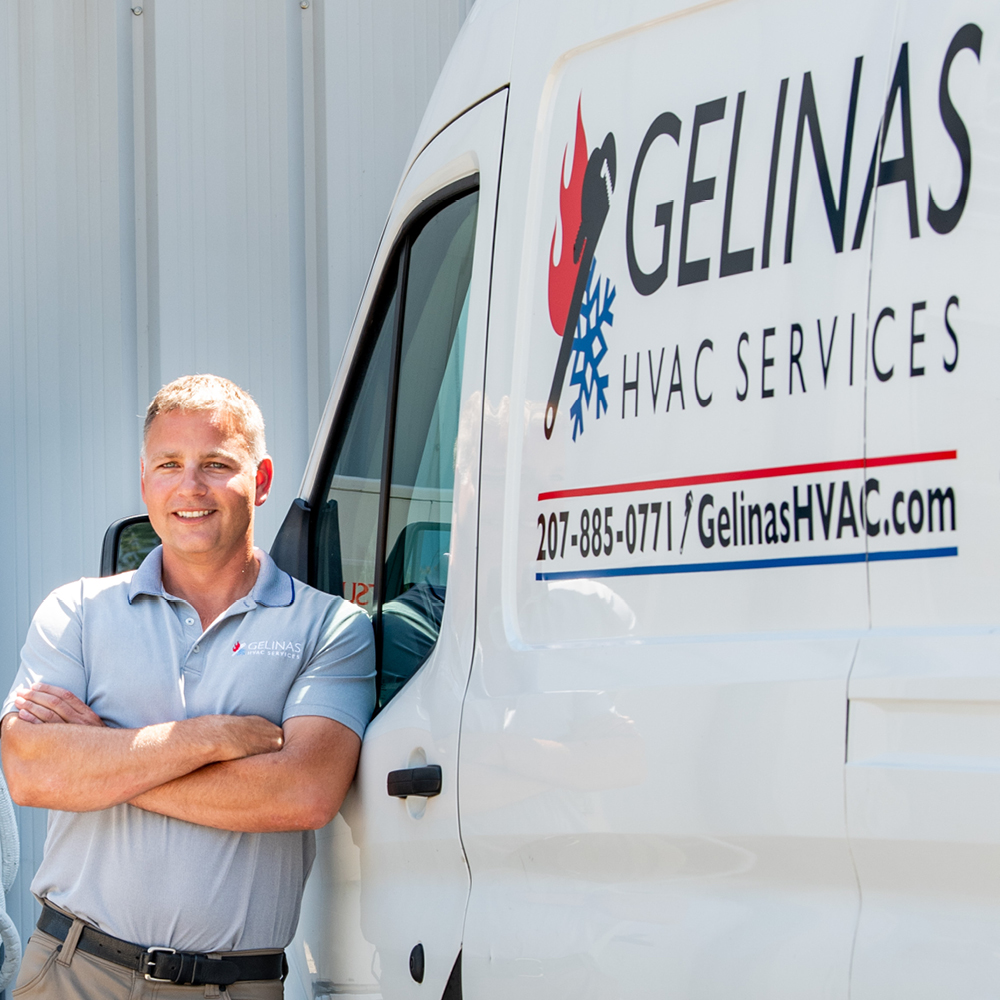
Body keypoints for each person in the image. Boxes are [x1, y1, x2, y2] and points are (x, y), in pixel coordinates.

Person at [0, 374, 375, 999]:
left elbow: (302, 793)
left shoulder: (330, 626)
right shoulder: (78, 612)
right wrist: (210, 739)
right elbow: (32, 772)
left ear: (260, 480)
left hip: (234, 986)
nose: (190, 486)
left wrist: (104, 762)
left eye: (217, 464)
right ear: (144, 480)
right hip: (74, 971)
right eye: (169, 464)